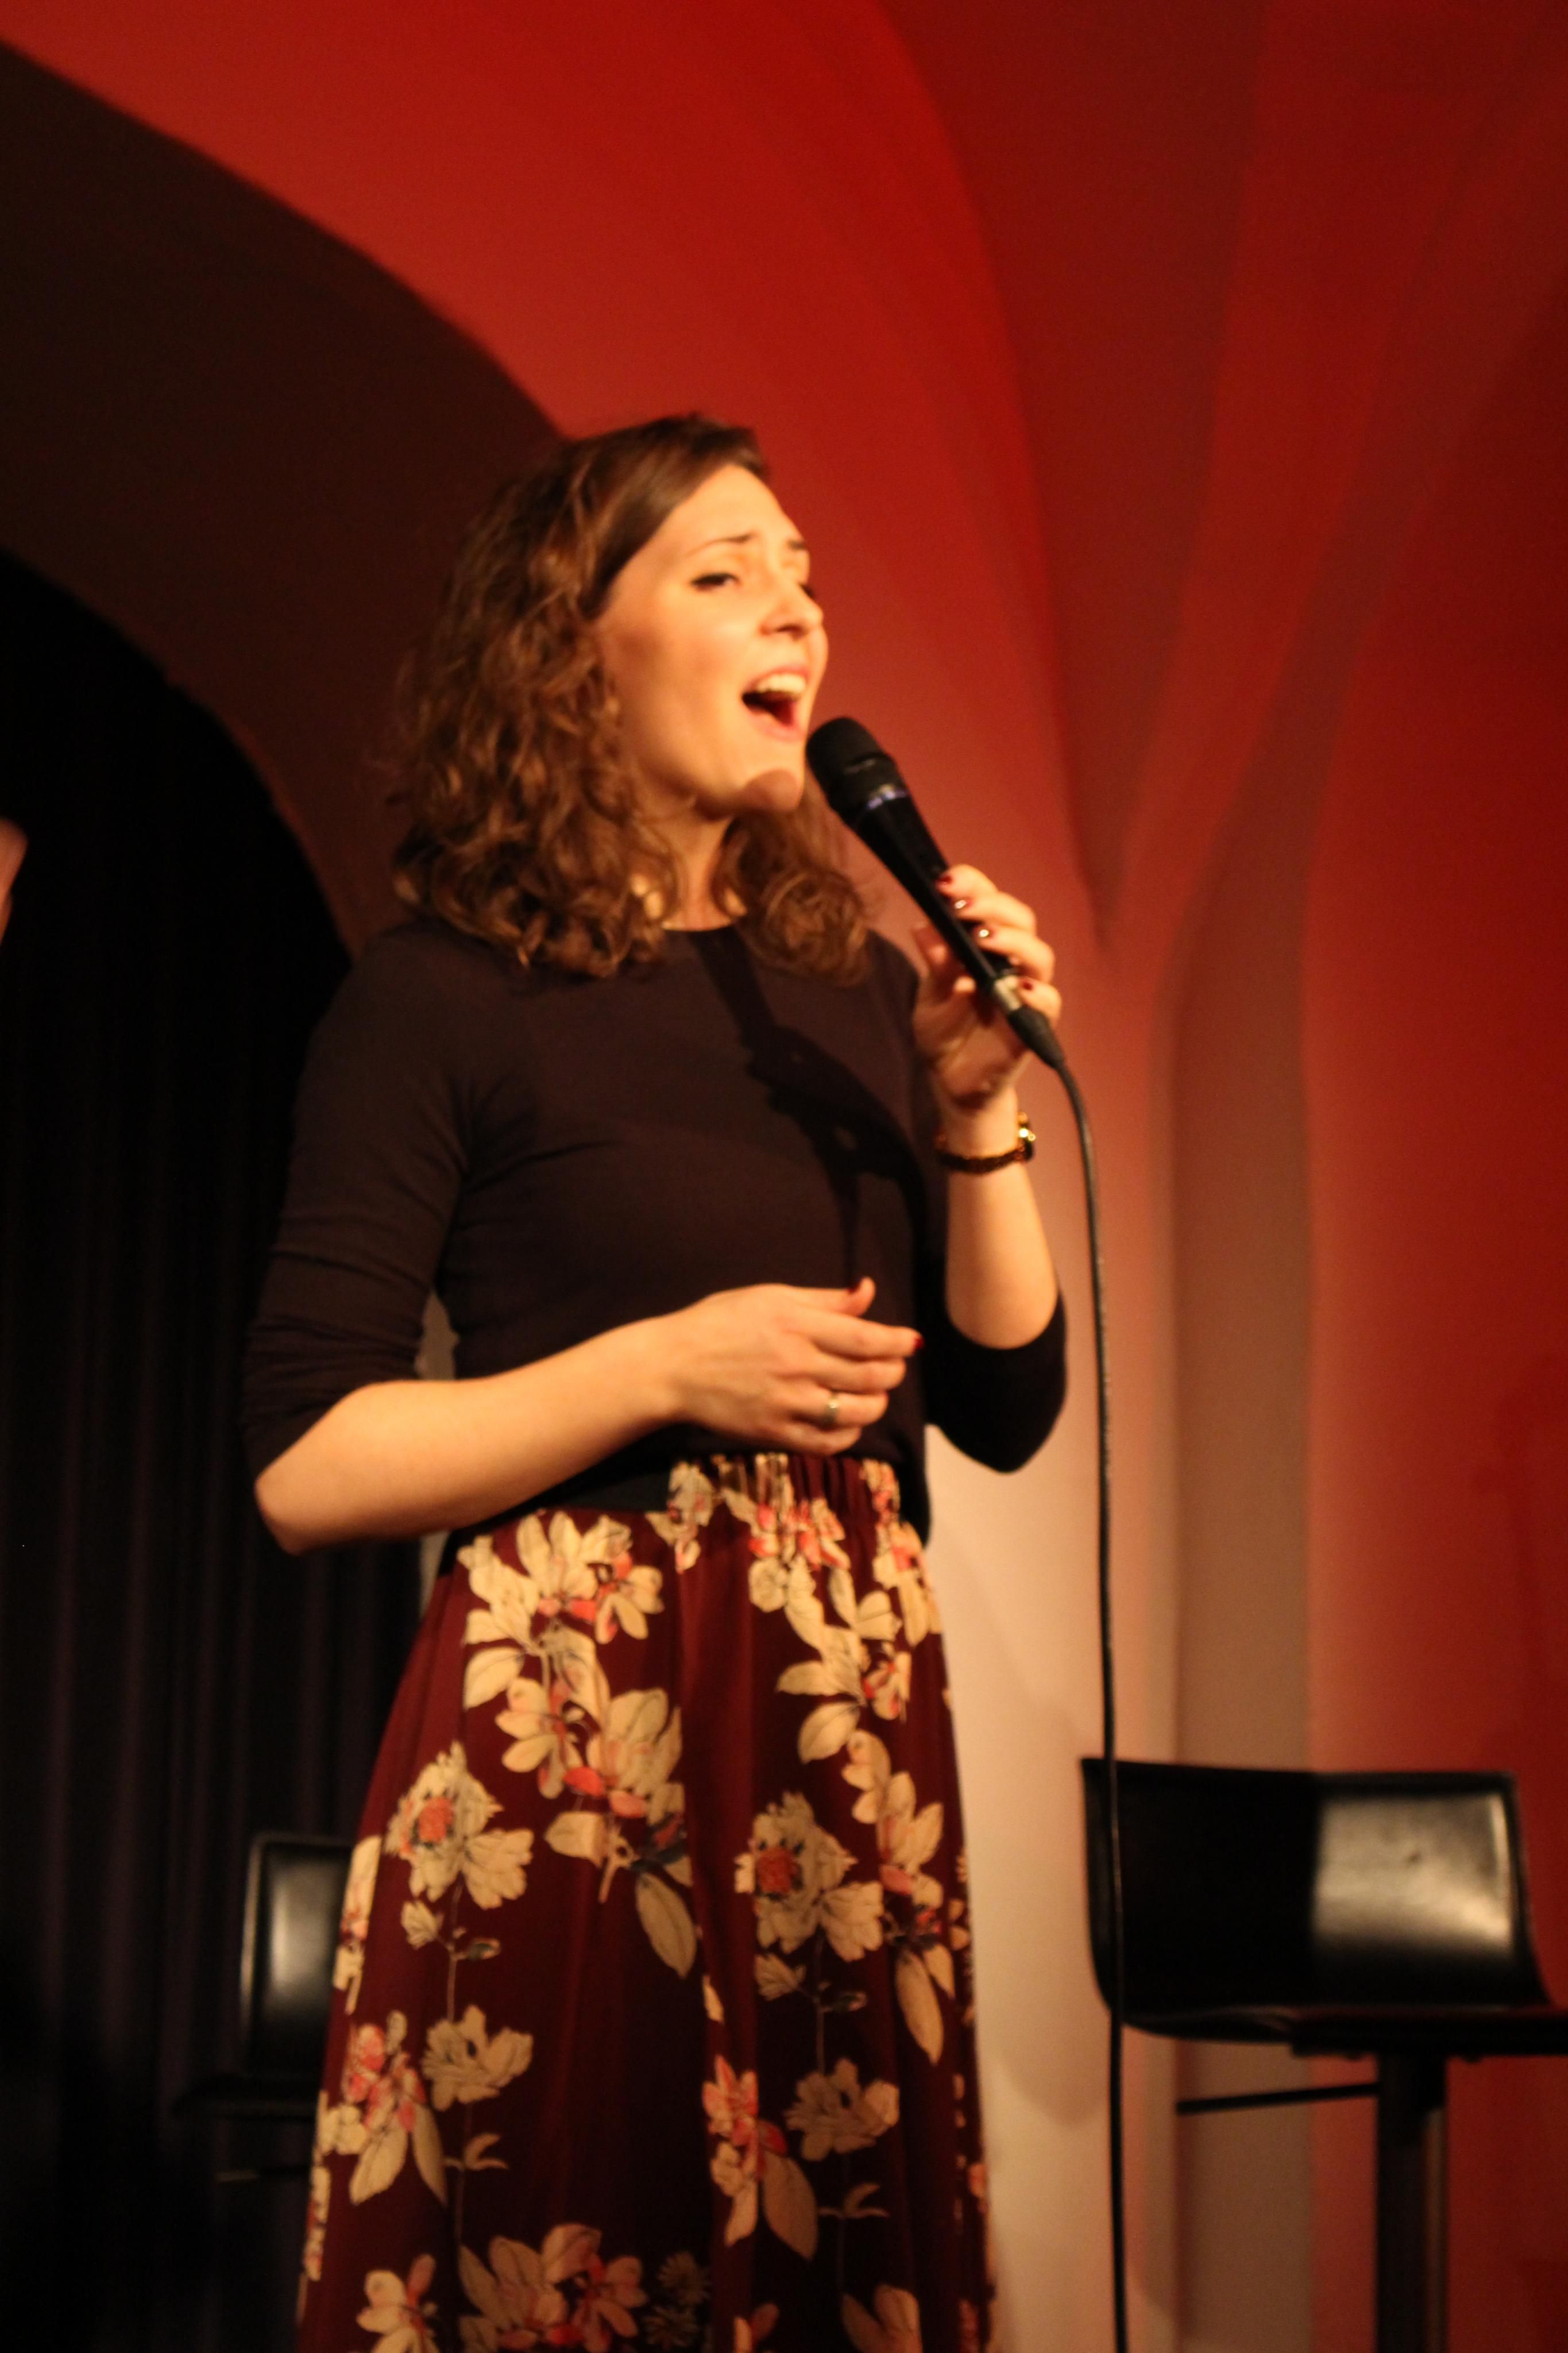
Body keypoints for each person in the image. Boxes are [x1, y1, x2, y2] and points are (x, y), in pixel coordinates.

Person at [244, 415, 1067, 2353]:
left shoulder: (851, 990)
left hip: (837, 1727)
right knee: (573, 2245)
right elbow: (306, 1462)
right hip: (574, 1732)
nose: (794, 609)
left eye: (803, 575)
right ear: (572, 650)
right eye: (724, 571)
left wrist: (972, 1111)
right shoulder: (442, 994)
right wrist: (657, 1366)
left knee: (825, 2269)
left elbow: (1003, 1406)